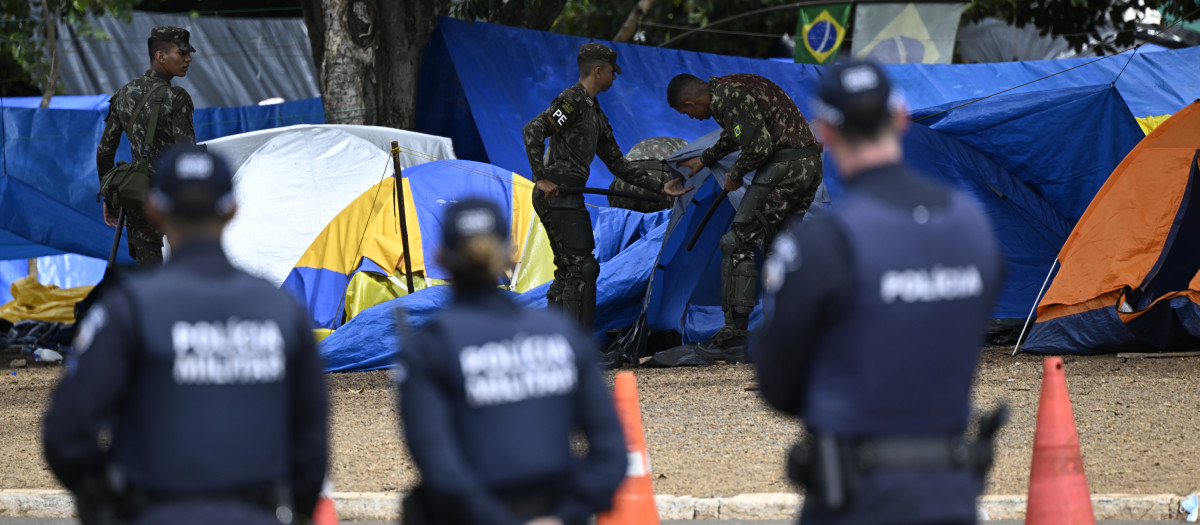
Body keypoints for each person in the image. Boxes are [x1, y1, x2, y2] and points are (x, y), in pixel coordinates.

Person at [753, 60, 1005, 525]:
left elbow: (778, 386)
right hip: (951, 492)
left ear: (825, 131)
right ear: (901, 117)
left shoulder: (821, 244)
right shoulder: (973, 226)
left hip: (855, 497)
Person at [44, 146, 328, 525]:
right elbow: (311, 444)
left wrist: (110, 501)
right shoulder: (281, 311)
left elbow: (67, 434)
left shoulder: (127, 309)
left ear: (154, 210)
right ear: (231, 210)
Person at [396, 198, 627, 525]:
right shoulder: (561, 333)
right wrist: (565, 515)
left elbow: (439, 467)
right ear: (511, 252)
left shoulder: (432, 346)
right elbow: (611, 453)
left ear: (440, 258)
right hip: (557, 510)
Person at [524, 43, 688, 333]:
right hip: (557, 193)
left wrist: (661, 188)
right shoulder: (571, 101)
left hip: (569, 193)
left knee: (569, 271)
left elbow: (618, 164)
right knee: (583, 269)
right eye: (612, 72)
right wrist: (540, 177)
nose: (615, 77)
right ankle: (578, 347)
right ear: (597, 71)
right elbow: (533, 130)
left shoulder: (595, 113)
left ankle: (556, 342)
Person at [666, 72, 823, 362]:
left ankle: (734, 337)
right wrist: (706, 158)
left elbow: (759, 147)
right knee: (782, 251)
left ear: (690, 101)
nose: (691, 118)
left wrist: (734, 175)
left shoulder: (727, 97)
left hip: (785, 169)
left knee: (737, 242)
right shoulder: (732, 86)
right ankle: (797, 334)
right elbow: (740, 132)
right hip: (807, 166)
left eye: (686, 112)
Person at [96, 26, 198, 268]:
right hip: (175, 202)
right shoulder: (177, 97)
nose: (188, 59)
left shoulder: (123, 94)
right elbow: (188, 157)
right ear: (161, 56)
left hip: (140, 198)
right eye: (182, 53)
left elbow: (104, 152)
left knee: (149, 279)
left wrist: (111, 199)